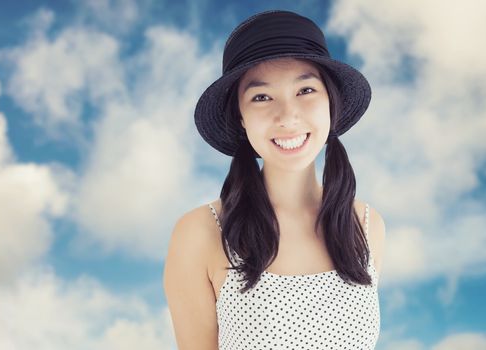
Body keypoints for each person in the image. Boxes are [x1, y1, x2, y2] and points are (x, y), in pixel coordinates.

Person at [164, 9, 386, 350]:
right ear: (240, 118)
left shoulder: (366, 225)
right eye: (261, 97)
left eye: (306, 90)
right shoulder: (200, 233)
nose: (287, 116)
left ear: (331, 102)